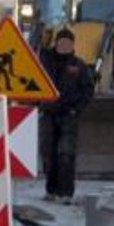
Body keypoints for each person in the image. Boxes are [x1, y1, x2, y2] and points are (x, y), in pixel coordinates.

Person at [39, 27, 95, 204]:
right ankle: (51, 190)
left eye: (68, 43)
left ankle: (66, 193)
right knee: (48, 153)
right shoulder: (45, 62)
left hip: (68, 116)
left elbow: (88, 90)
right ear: (56, 43)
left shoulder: (79, 66)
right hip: (48, 113)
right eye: (61, 42)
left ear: (72, 45)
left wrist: (76, 109)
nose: (64, 46)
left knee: (66, 154)